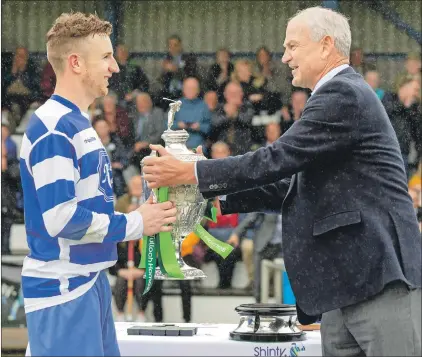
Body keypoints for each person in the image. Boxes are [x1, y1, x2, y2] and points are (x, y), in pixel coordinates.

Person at [143, 6, 422, 357]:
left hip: (377, 278)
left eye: (292, 46)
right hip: (347, 284)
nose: (285, 56)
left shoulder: (343, 94)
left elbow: (275, 160)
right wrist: (215, 201)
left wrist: (194, 174)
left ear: (325, 46)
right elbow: (291, 185)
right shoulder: (334, 97)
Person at [20, 12, 177, 357]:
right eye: (106, 57)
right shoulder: (53, 126)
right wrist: (136, 223)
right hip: (64, 290)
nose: (115, 67)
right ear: (75, 62)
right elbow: (61, 217)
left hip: (88, 280)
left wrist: (144, 208)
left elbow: (90, 206)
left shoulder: (78, 121)